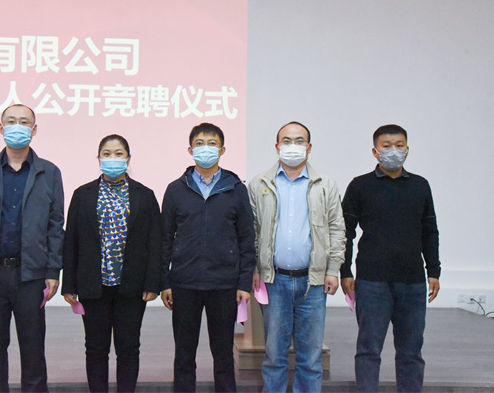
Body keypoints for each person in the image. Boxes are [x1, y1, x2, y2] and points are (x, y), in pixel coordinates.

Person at [0, 103, 64, 392]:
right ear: (1, 127)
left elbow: (56, 225)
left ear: (34, 129)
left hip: (31, 275)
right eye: (12, 121)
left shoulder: (49, 172)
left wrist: (53, 270)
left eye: (24, 122)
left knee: (33, 350)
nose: (18, 127)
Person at [340, 124, 440, 393]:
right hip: (372, 281)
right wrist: (345, 272)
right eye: (386, 146)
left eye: (399, 145)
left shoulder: (420, 185)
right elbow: (344, 233)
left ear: (407, 149)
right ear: (375, 151)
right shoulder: (360, 186)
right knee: (368, 349)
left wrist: (434, 271)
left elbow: (430, 231)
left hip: (412, 281)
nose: (393, 151)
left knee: (411, 351)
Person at [248, 121, 346, 392]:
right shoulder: (259, 184)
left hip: (312, 282)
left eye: (299, 141)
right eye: (287, 141)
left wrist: (333, 269)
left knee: (310, 358)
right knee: (274, 356)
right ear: (277, 146)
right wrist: (254, 268)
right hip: (274, 280)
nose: (293, 146)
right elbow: (251, 230)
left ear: (309, 147)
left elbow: (337, 229)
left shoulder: (325, 185)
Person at [62, 134, 162, 393]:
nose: (113, 159)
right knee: (96, 349)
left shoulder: (145, 195)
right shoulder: (82, 195)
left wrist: (153, 283)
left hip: (132, 287)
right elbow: (71, 242)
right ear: (98, 158)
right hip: (93, 286)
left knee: (128, 349)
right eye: (107, 154)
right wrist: (69, 284)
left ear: (128, 158)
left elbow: (155, 243)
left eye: (119, 154)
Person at [160, 122, 256, 393]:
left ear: (222, 150)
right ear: (190, 150)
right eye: (199, 143)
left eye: (212, 144)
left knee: (223, 356)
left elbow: (247, 239)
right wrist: (164, 282)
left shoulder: (236, 189)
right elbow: (164, 240)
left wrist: (244, 283)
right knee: (184, 355)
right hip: (184, 283)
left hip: (224, 284)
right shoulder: (175, 189)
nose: (206, 149)